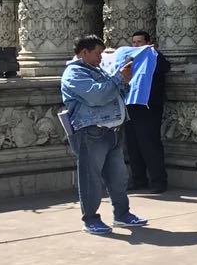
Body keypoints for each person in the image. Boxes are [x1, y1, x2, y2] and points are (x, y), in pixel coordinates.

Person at [61, 35, 147, 235]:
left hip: (112, 131)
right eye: (98, 53)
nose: (101, 57)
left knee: (118, 177)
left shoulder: (96, 70)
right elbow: (96, 96)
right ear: (84, 52)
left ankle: (122, 214)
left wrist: (124, 80)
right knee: (91, 178)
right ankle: (90, 219)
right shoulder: (74, 73)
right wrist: (118, 78)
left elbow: (115, 93)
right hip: (92, 132)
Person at [125, 30, 172, 194]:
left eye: (140, 42)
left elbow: (165, 67)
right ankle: (138, 179)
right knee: (133, 143)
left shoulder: (154, 56)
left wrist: (153, 53)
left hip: (149, 106)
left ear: (148, 43)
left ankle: (158, 181)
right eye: (134, 42)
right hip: (132, 105)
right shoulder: (130, 59)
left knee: (149, 143)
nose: (137, 45)